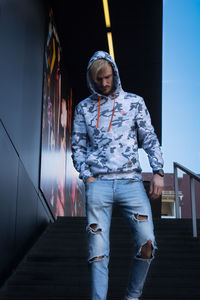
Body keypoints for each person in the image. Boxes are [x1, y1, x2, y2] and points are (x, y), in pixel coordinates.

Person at [71, 51, 164, 300]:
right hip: (98, 183)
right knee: (98, 250)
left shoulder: (134, 102)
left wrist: (158, 171)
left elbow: (150, 138)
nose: (104, 83)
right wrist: (87, 176)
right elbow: (77, 147)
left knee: (148, 243)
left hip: (131, 182)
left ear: (115, 74)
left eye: (108, 77)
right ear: (91, 79)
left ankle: (132, 297)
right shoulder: (83, 108)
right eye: (98, 79)